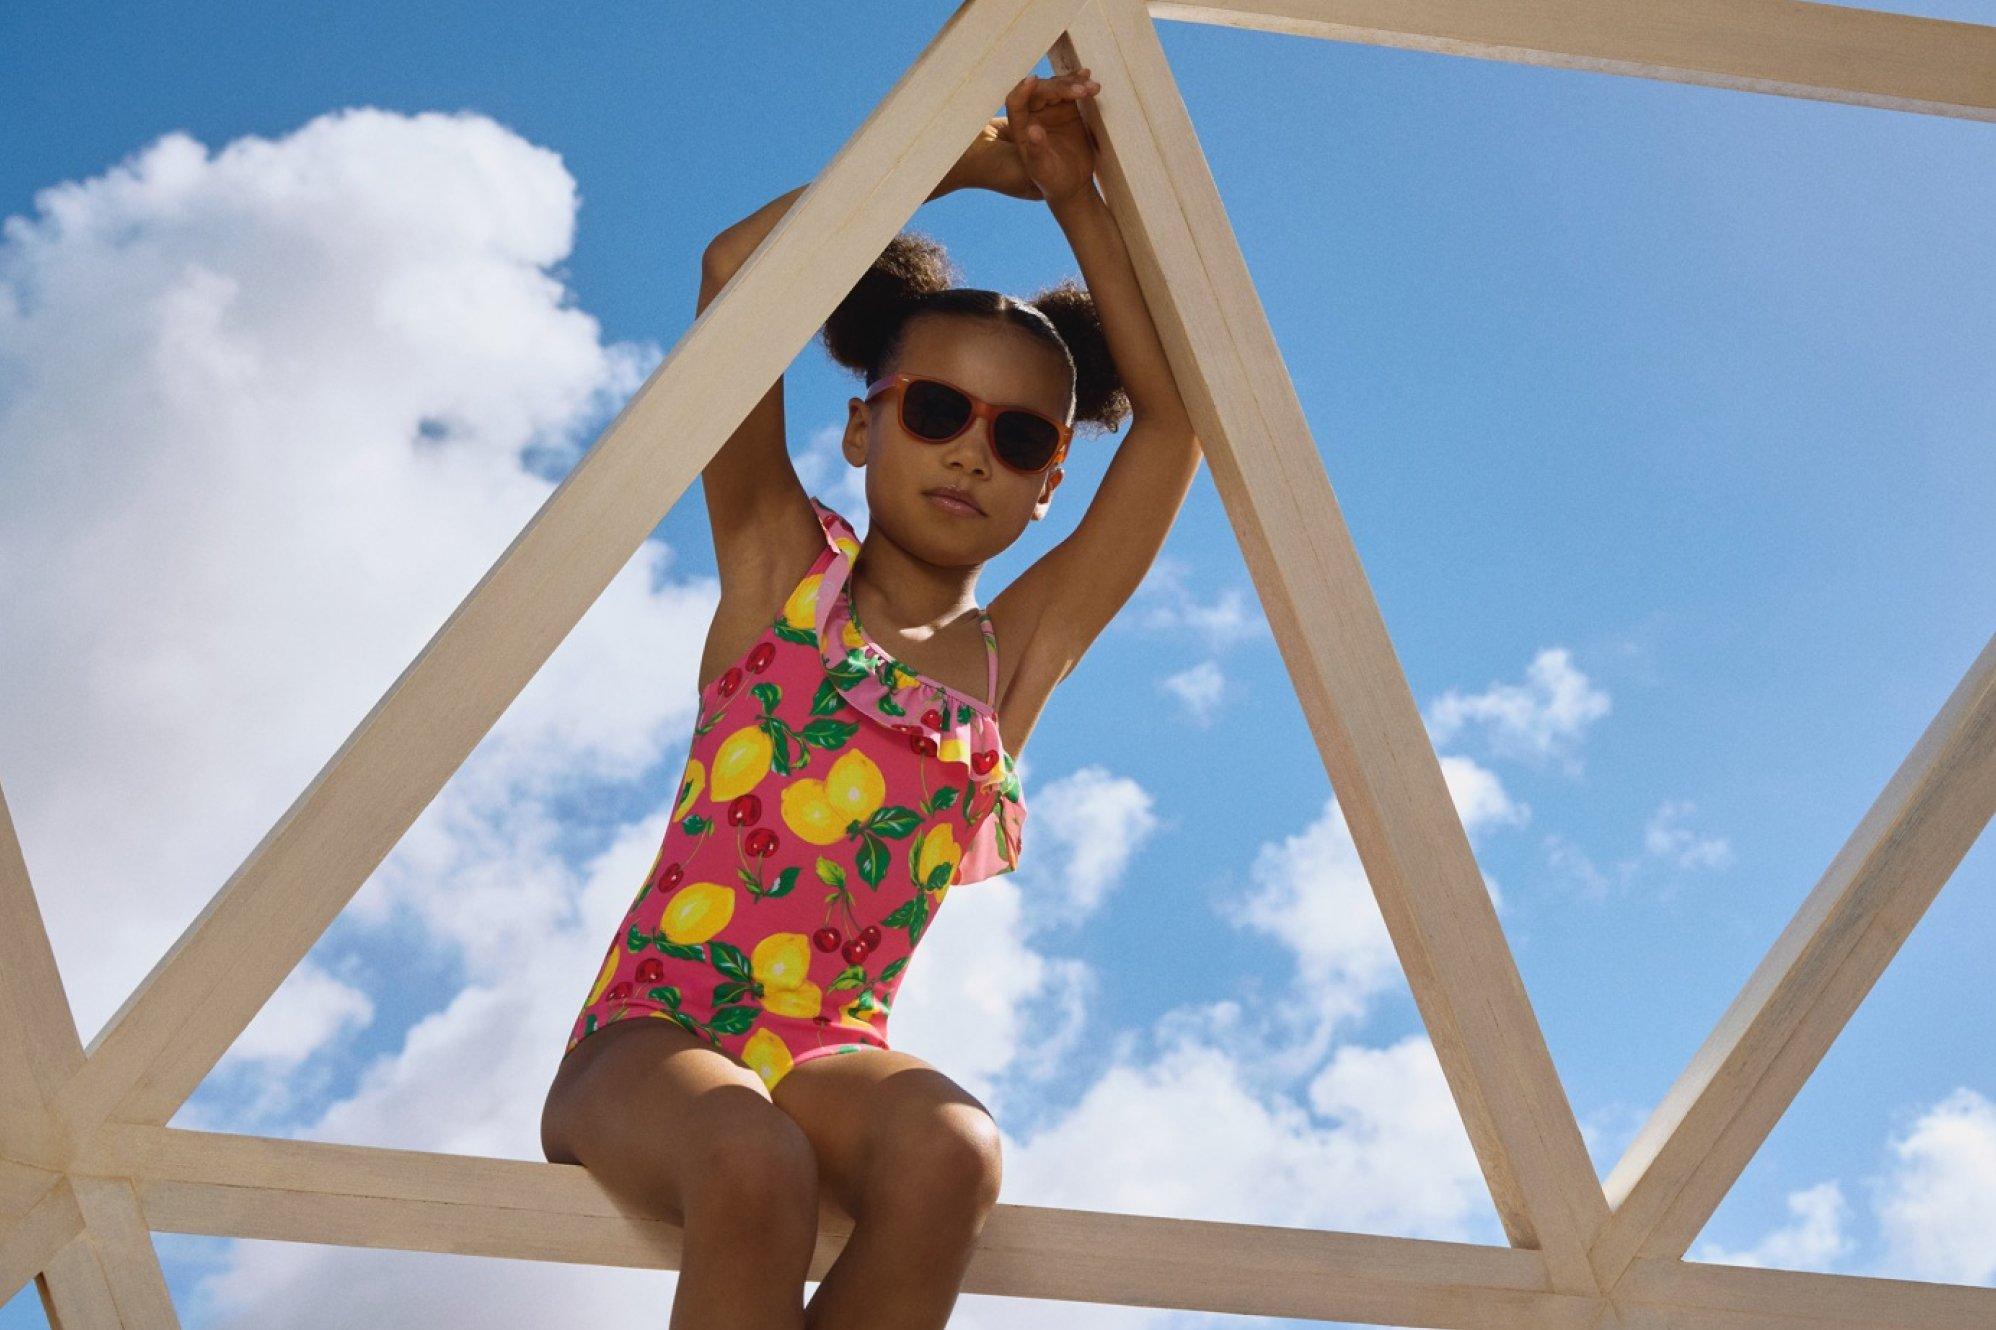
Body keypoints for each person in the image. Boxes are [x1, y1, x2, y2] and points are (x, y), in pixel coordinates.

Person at [540, 67, 1201, 1329]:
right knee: (749, 1160)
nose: (970, 448)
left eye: (1017, 438)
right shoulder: (780, 567)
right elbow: (737, 272)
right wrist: (961, 158)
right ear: (861, 429)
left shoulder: (1017, 659)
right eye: (939, 409)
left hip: (832, 1046)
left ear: (1051, 482)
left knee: (954, 1150)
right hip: (654, 1032)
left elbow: (1171, 430)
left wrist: (1081, 198)